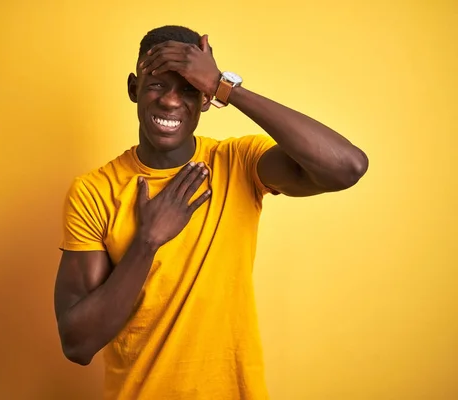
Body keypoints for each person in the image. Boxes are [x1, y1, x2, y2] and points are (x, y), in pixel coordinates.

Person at [53, 25, 368, 400]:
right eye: (156, 84)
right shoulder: (94, 191)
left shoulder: (238, 163)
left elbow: (347, 166)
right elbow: (78, 344)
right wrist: (148, 241)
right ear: (133, 88)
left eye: (189, 88)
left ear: (205, 99)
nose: (171, 102)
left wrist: (225, 86)